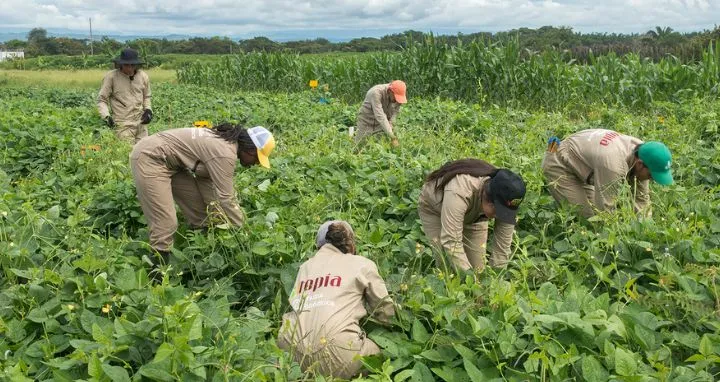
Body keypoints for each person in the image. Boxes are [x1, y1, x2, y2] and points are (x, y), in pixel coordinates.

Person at [129, 124, 276, 264]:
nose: (256, 163)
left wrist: (218, 217)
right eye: (257, 158)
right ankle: (157, 273)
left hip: (173, 163)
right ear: (250, 150)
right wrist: (243, 232)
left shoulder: (225, 143)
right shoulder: (225, 153)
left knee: (202, 214)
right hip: (151, 157)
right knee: (166, 223)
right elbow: (227, 198)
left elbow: (206, 182)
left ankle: (199, 256)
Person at [278, 220, 395, 379]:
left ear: (318, 247)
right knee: (380, 355)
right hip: (341, 353)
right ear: (351, 244)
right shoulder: (362, 264)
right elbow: (385, 310)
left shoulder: (305, 267)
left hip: (291, 356)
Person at [418, 159, 526, 272]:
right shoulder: (460, 190)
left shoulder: (508, 198)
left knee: (478, 270)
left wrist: (495, 279)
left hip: (473, 217)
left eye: (507, 212)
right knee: (447, 267)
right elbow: (451, 240)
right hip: (435, 210)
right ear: (487, 197)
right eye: (499, 211)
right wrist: (469, 278)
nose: (502, 216)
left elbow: (502, 248)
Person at [542, 129, 673, 218]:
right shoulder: (613, 165)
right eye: (651, 176)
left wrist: (646, 231)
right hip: (560, 160)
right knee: (588, 218)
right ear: (639, 164)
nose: (652, 180)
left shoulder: (644, 151)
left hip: (583, 159)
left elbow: (641, 200)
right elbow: (606, 210)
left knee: (594, 210)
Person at [98, 48, 152, 143]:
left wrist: (148, 110)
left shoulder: (143, 76)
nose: (129, 68)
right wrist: (106, 116)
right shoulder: (111, 77)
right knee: (128, 153)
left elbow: (146, 96)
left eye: (132, 65)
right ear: (121, 64)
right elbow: (102, 100)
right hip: (123, 124)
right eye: (126, 65)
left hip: (141, 123)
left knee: (144, 153)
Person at [354, 80, 407, 146]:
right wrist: (392, 136)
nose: (396, 100)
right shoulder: (376, 92)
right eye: (395, 97)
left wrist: (391, 123)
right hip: (366, 121)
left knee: (380, 145)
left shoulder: (398, 97)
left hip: (382, 123)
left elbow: (395, 112)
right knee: (359, 145)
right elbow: (380, 115)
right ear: (390, 91)